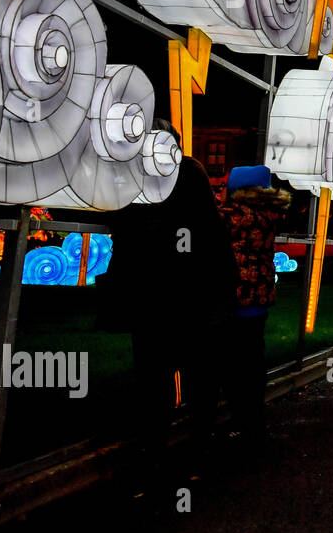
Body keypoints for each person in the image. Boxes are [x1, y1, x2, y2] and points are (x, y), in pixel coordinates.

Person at [100, 130, 237, 460]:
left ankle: (155, 445)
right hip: (197, 301)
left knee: (154, 377)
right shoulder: (192, 180)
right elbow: (216, 245)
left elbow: (120, 224)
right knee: (200, 377)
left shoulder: (140, 190)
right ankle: (199, 442)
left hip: (153, 300)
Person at [215, 164, 290, 446]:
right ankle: (254, 421)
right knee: (253, 361)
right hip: (259, 300)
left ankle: (240, 421)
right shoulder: (268, 214)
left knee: (232, 365)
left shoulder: (234, 216)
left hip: (235, 298)